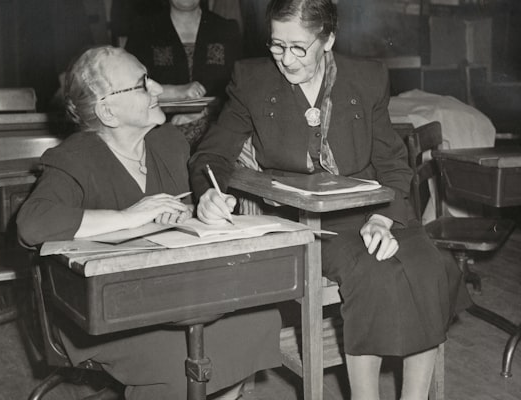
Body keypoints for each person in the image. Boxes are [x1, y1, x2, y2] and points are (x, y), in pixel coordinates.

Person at [189, 1, 468, 399]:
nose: (285, 59)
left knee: (427, 267)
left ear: (328, 40)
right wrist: (208, 193)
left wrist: (382, 218)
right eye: (276, 45)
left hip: (375, 208)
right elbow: (211, 155)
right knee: (374, 275)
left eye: (299, 47)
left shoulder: (366, 78)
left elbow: (390, 160)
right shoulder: (251, 80)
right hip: (305, 221)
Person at [16, 46, 281, 400]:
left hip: (174, 295)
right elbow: (32, 223)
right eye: (143, 84)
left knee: (255, 319)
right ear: (108, 111)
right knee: (183, 359)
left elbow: (188, 203)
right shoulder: (74, 158)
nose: (158, 89)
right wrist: (128, 217)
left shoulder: (167, 141)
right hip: (106, 312)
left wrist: (203, 208)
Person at [125, 0, 242, 150]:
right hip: (158, 129)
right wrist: (176, 91)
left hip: (216, 127)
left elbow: (240, 89)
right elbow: (130, 88)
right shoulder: (144, 30)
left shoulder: (226, 29)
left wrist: (204, 113)